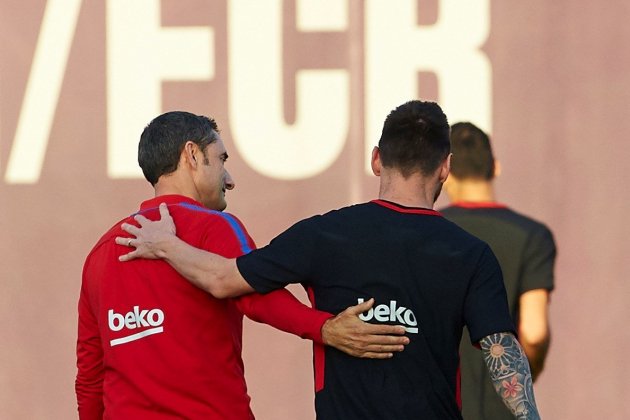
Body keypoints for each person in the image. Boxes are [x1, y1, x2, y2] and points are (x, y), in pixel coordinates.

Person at [117, 101, 542, 420]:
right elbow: (501, 349)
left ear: (376, 159)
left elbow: (225, 281)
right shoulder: (471, 253)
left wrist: (167, 244)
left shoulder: (323, 234)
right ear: (445, 168)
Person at [75, 111, 409, 419]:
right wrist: (326, 328)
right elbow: (255, 296)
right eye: (221, 159)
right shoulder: (213, 227)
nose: (230, 179)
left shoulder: (101, 252)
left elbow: (90, 375)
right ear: (191, 155)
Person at [441, 122, 556, 420]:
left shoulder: (424, 232)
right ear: (495, 167)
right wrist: (527, 376)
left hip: (437, 402)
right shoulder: (531, 235)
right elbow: (534, 332)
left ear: (445, 173)